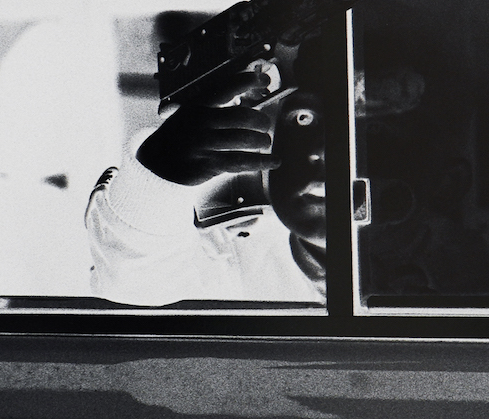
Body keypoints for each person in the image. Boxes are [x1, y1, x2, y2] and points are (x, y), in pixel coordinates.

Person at [87, 60, 331, 306]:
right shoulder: (235, 265)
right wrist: (156, 181)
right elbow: (137, 285)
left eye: (361, 124)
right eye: (303, 119)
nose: (323, 150)